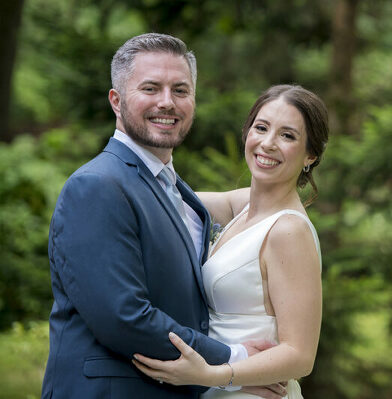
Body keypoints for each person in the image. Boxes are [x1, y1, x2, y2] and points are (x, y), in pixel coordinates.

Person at [42, 33, 283, 399]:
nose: (167, 103)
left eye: (181, 91)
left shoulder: (181, 194)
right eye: (151, 88)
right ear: (116, 100)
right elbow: (124, 317)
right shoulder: (96, 186)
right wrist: (231, 363)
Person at [131, 84, 327, 399]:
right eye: (261, 128)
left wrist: (217, 374)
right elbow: (164, 197)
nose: (268, 143)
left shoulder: (288, 231)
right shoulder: (244, 207)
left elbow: (300, 355)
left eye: (287, 136)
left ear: (310, 155)